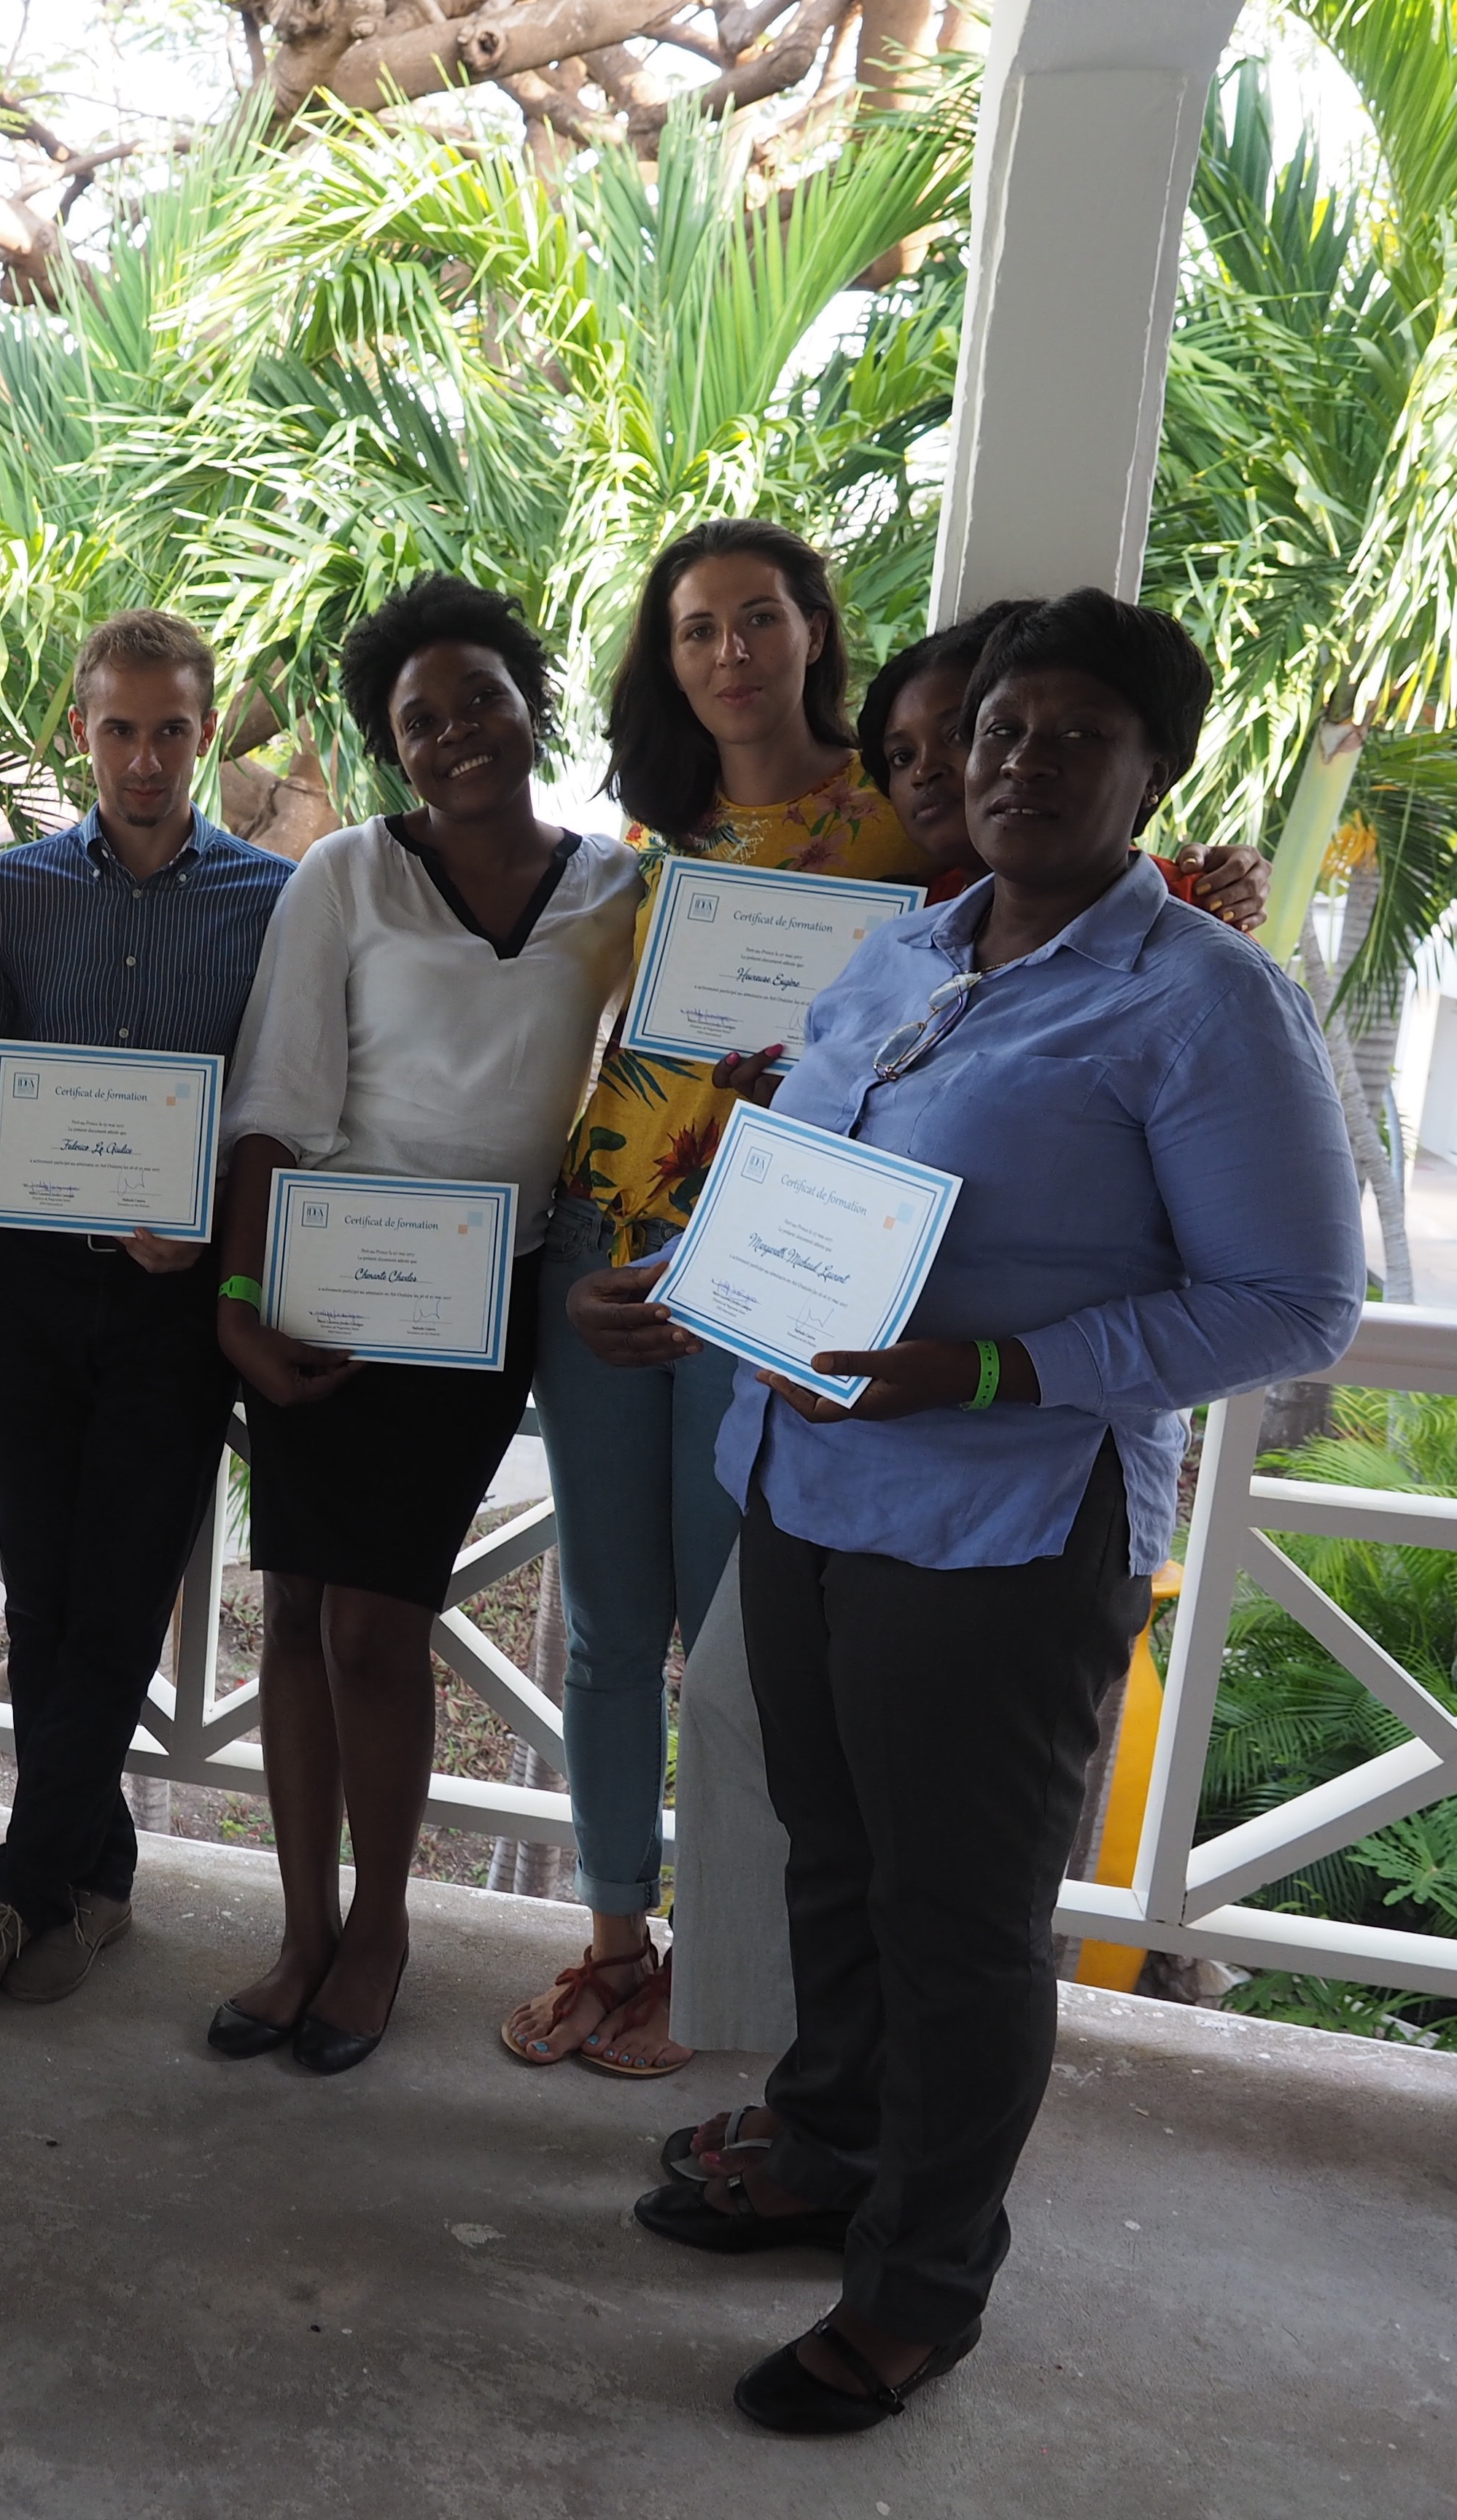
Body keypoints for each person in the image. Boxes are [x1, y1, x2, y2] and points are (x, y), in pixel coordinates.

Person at [618, 590, 1361, 2430]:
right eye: (1000, 729)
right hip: (803, 1479)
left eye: (1074, 738)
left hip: (1005, 1529)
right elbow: (810, 1179)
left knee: (959, 1916)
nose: (1020, 765)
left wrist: (985, 1373)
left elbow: (1290, 1304)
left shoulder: (1197, 999)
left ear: (1153, 771)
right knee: (834, 1855)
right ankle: (830, 2142)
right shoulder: (907, 947)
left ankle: (921, 2283)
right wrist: (678, 1281)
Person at [509, 518, 925, 2082]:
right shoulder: (643, 847)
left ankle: (720, 1972)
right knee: (609, 1631)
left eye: (760, 619)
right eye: (697, 630)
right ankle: (615, 1943)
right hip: (602, 1264)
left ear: (816, 630)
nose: (731, 654)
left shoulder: (907, 832)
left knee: (735, 1652)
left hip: (765, 1288)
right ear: (667, 660)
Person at [209, 578, 642, 2071]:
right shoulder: (346, 872)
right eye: (419, 720)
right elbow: (273, 1095)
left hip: (479, 1301)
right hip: (327, 1279)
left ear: (532, 703)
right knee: (299, 1619)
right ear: (391, 753)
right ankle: (300, 1932)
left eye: (480, 699)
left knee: (378, 1624)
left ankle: (381, 1929)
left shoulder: (614, 889)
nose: (456, 732)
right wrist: (239, 1305)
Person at [0, 610, 294, 2011]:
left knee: (125, 1585)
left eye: (171, 729)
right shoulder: (5, 892)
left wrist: (205, 1222)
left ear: (208, 735)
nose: (144, 757)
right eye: (119, 728)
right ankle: (100, 1877)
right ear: (81, 731)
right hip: (26, 1284)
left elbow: (284, 1101)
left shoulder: (273, 897)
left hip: (175, 1294)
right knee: (48, 1587)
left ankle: (19, 1883)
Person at [860, 607, 1270, 924]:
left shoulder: (1188, 906)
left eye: (956, 735)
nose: (923, 771)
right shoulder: (901, 922)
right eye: (901, 757)